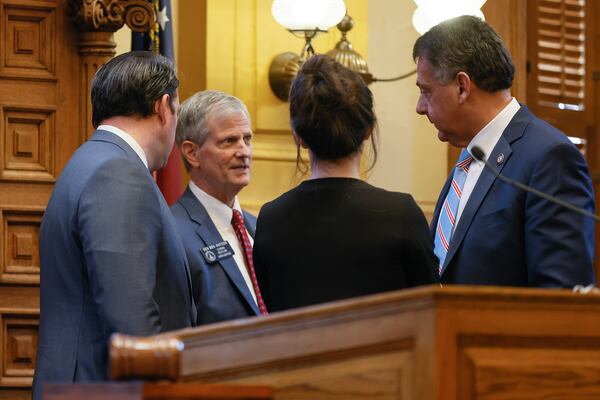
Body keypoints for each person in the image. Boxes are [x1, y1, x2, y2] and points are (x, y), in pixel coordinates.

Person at [33, 51, 196, 398]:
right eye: (178, 113)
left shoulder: (90, 161)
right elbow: (131, 321)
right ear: (163, 107)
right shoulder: (118, 173)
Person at [414, 16, 595, 286]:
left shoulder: (550, 158)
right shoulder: (469, 158)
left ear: (462, 87)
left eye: (426, 91)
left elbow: (559, 298)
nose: (420, 107)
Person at [253, 54, 437, 312]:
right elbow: (431, 310)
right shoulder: (400, 214)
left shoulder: (270, 218)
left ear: (298, 136)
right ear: (369, 129)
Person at [171, 90, 266, 324]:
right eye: (229, 141)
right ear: (192, 153)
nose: (243, 151)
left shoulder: (260, 228)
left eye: (247, 139)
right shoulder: (173, 233)